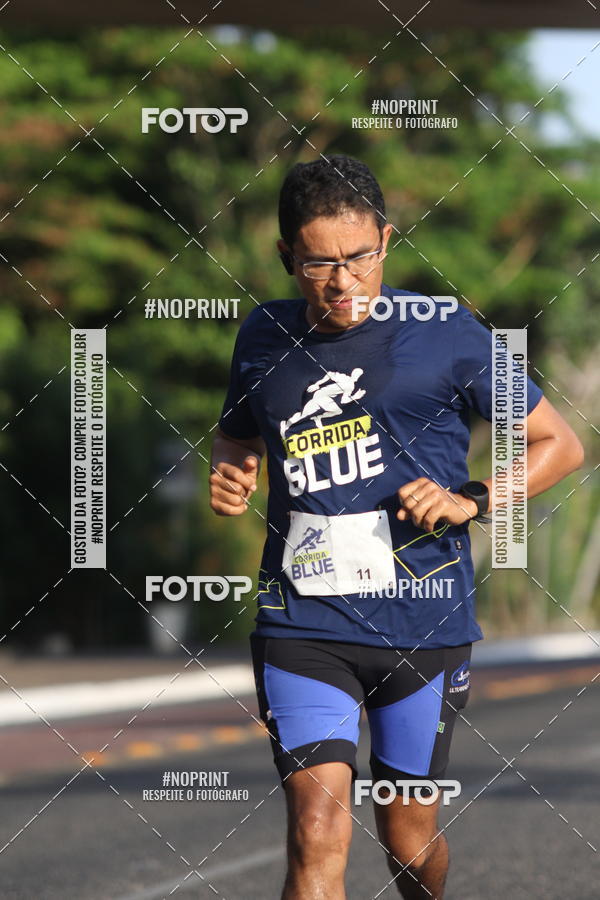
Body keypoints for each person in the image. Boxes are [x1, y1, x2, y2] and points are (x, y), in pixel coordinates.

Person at [209, 155, 584, 899]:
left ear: (386, 239)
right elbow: (239, 433)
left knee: (408, 843)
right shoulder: (262, 338)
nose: (344, 281)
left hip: (424, 625)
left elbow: (560, 444)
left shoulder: (445, 331)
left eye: (360, 257)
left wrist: (473, 497)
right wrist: (231, 467)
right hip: (303, 620)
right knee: (315, 830)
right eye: (320, 263)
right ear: (286, 256)